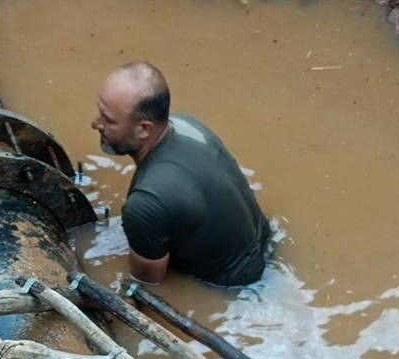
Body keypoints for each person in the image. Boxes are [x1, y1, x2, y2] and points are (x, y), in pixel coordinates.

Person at [90, 61, 271, 287]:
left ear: (144, 129)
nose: (95, 124)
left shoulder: (144, 203)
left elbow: (146, 284)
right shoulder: (189, 125)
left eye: (108, 120)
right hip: (264, 243)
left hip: (235, 287)